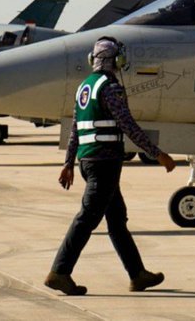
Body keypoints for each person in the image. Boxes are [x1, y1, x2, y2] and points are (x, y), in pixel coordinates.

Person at [45, 36, 176, 296]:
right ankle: (59, 272)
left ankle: (137, 275)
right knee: (87, 218)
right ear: (115, 60)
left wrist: (69, 162)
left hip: (88, 161)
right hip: (104, 163)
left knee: (117, 220)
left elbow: (75, 128)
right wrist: (158, 154)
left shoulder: (85, 87)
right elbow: (127, 124)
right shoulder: (110, 87)